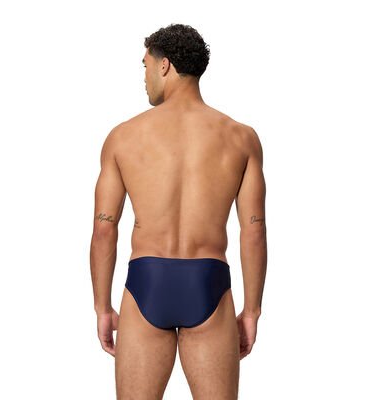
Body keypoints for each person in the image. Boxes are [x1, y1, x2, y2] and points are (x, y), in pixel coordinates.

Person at [90, 23, 267, 400]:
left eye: (145, 66)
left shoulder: (123, 136)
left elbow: (105, 229)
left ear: (165, 65)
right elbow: (253, 230)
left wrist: (103, 307)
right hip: (209, 283)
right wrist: (252, 310)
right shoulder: (240, 137)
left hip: (146, 283)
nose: (144, 77)